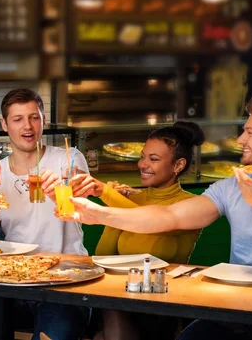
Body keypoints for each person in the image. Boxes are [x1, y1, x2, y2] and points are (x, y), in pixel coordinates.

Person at [60, 90, 252, 340]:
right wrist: (99, 214)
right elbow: (169, 217)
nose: (240, 140)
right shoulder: (230, 187)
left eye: (249, 132)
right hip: (235, 307)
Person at [0, 88, 91, 340]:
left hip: (66, 281)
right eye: (18, 119)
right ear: (4, 124)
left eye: (34, 117)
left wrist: (61, 189)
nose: (28, 126)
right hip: (12, 281)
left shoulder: (68, 159)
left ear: (43, 120)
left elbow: (81, 200)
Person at [71, 122, 204, 340]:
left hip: (160, 301)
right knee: (108, 308)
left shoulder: (191, 204)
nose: (142, 164)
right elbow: (103, 255)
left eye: (154, 159)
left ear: (178, 165)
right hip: (119, 297)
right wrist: (116, 202)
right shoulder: (132, 199)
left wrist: (107, 194)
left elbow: (152, 222)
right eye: (143, 156)